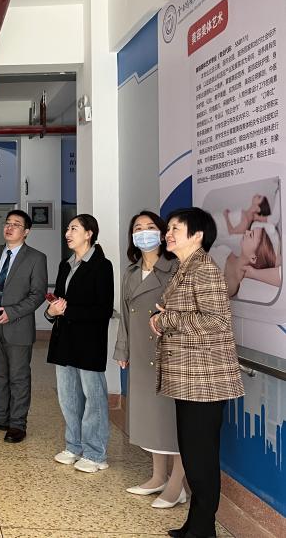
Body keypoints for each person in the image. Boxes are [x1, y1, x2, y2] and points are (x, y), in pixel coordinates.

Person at [149, 207, 245, 538]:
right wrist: (163, 317)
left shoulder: (203, 269)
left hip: (204, 381)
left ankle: (203, 531)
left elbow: (217, 321)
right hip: (190, 379)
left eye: (176, 228)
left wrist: (166, 319)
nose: (168, 234)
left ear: (198, 235)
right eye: (168, 228)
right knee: (194, 456)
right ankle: (196, 525)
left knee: (200, 459)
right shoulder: (185, 267)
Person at [113, 211, 186, 509]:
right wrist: (123, 350)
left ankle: (177, 485)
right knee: (151, 417)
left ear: (163, 232)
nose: (144, 232)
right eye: (138, 228)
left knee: (172, 419)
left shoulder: (176, 267)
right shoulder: (131, 272)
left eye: (150, 227)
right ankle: (157, 476)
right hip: (141, 351)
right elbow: (125, 316)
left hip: (169, 352)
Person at [46, 214, 114, 473]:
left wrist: (67, 311)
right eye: (67, 229)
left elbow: (103, 310)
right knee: (69, 399)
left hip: (88, 342)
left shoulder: (102, 266)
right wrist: (51, 311)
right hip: (64, 341)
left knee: (93, 399)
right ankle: (73, 446)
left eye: (74, 228)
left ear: (89, 233)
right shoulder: (66, 265)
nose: (68, 233)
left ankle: (96, 453)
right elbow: (58, 302)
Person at [0, 209, 48, 443]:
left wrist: (12, 312)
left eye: (16, 224)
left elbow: (37, 295)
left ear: (26, 232)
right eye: (7, 223)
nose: (9, 227)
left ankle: (17, 424)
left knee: (18, 377)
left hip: (18, 326)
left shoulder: (36, 258)